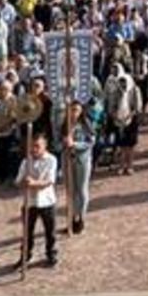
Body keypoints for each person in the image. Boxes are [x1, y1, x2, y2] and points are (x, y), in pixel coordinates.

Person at [16, 133, 59, 269]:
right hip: (30, 202)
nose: (34, 149)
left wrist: (34, 183)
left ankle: (51, 254)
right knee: (27, 232)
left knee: (50, 231)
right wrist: (24, 182)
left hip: (47, 201)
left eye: (37, 146)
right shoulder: (25, 162)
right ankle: (25, 256)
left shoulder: (51, 160)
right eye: (32, 146)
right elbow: (18, 181)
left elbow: (49, 181)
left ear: (44, 146)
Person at [63, 98, 96, 233]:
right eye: (71, 109)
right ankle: (71, 218)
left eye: (76, 110)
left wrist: (75, 144)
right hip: (67, 159)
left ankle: (80, 218)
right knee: (70, 190)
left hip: (82, 160)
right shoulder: (65, 125)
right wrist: (64, 143)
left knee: (81, 190)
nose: (73, 112)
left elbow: (91, 142)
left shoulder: (86, 124)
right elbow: (58, 142)